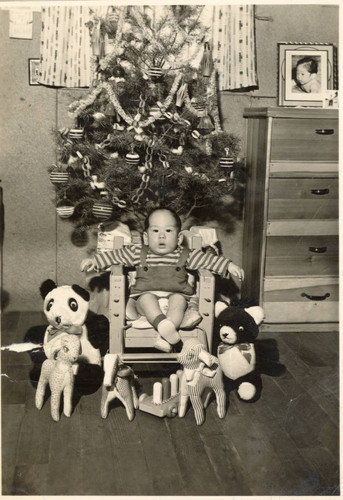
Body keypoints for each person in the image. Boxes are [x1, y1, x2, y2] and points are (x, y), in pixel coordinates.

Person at [81, 208, 244, 352]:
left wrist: (228, 266)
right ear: (145, 237)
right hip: (145, 297)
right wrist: (95, 261)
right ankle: (164, 327)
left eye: (168, 231)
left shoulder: (185, 254)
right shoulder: (137, 252)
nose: (161, 236)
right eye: (155, 231)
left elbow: (207, 260)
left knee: (179, 301)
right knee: (146, 299)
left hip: (175, 295)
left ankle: (166, 335)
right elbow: (116, 256)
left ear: (179, 238)